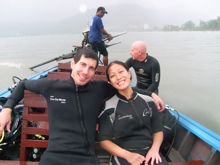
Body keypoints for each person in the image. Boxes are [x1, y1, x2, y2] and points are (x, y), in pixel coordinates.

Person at [0, 47, 164, 165]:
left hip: (86, 158)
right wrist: (7, 109)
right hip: (54, 156)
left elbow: (123, 85)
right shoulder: (52, 86)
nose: (86, 72)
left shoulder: (99, 88)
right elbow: (23, 85)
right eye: (82, 65)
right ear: (73, 64)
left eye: (91, 68)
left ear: (94, 72)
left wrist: (151, 94)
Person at [98, 61, 168, 165]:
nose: (118, 77)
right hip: (124, 154)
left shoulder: (148, 101)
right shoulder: (109, 107)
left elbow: (158, 130)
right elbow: (104, 141)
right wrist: (128, 155)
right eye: (113, 76)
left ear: (129, 73)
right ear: (110, 82)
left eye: (121, 72)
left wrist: (154, 149)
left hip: (150, 152)